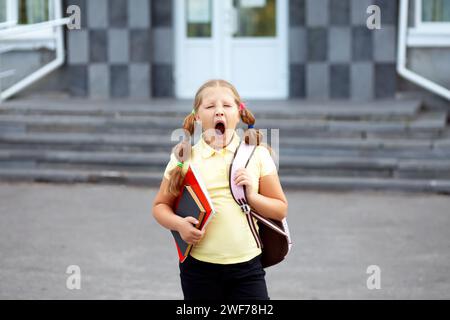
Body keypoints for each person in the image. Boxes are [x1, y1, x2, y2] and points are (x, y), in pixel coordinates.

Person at [152, 79, 288, 300]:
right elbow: (160, 206)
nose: (219, 112)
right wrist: (179, 225)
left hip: (247, 268)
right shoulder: (184, 159)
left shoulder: (257, 155)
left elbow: (280, 209)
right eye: (209, 106)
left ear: (239, 112)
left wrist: (252, 196)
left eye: (226, 106)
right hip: (198, 268)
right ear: (196, 116)